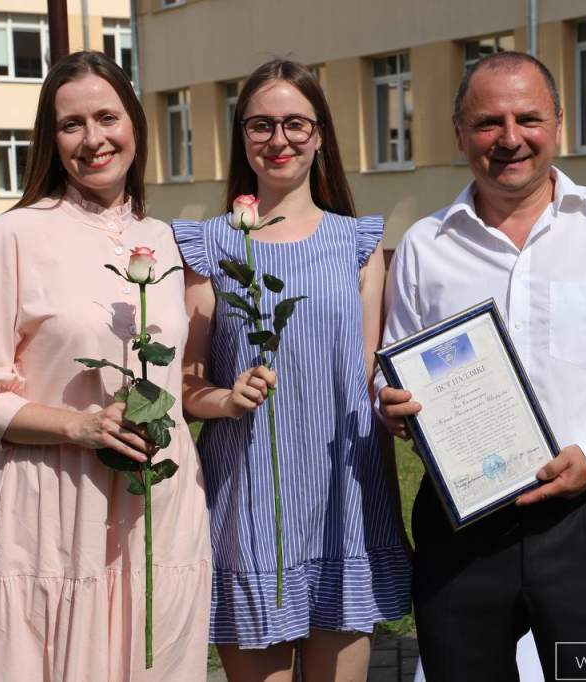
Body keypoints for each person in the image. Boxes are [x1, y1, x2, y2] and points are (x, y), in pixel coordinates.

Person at [379, 52, 586, 681]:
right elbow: (395, 364)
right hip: (461, 526)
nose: (510, 138)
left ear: (558, 122)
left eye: (528, 118)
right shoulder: (428, 243)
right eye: (488, 122)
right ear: (459, 133)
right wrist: (391, 402)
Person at [0, 52, 210, 681]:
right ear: (50, 139)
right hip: (55, 503)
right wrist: (77, 427)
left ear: (136, 125)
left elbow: (183, 376)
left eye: (107, 117)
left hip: (158, 503)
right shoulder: (17, 235)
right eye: (72, 125)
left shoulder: (165, 239)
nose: (94, 140)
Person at [172, 59, 411, 681]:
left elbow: (368, 371)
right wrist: (226, 398)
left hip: (344, 492)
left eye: (296, 124)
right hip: (251, 496)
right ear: (242, 138)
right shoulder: (210, 245)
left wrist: (403, 405)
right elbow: (188, 385)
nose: (279, 140)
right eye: (261, 125)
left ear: (322, 135)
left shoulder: (357, 243)